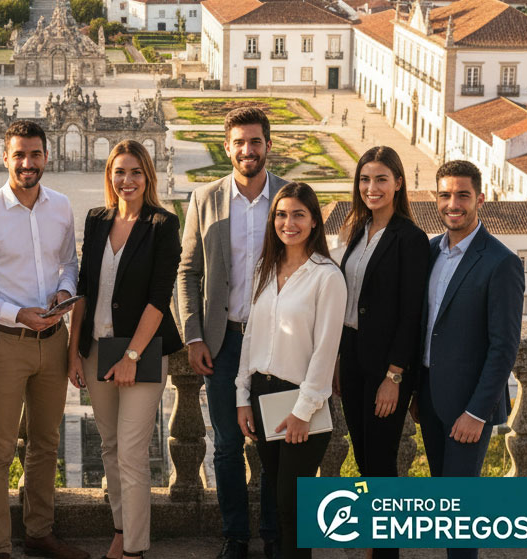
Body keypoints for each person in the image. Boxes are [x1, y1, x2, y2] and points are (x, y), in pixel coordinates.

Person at [0, 120, 86, 559]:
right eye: (18, 155)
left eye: (34, 154)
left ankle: (38, 532)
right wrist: (17, 314)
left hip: (53, 338)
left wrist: (66, 290)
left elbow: (69, 261)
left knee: (45, 443)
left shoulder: (61, 206)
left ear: (46, 156)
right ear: (4, 156)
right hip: (7, 343)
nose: (27, 163)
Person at [177, 106, 285, 559]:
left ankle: (276, 535)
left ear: (267, 146)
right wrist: (193, 335)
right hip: (223, 341)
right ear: (227, 148)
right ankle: (235, 536)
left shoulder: (291, 195)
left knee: (276, 446)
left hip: (278, 341)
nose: (247, 150)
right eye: (239, 142)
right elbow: (187, 271)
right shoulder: (205, 199)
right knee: (225, 445)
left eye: (255, 142)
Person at [67, 140, 182, 559]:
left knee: (132, 453)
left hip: (143, 351)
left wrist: (132, 356)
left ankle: (134, 549)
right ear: (109, 176)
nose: (127, 180)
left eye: (136, 172)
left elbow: (159, 298)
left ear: (147, 176)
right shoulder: (97, 220)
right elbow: (83, 288)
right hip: (97, 347)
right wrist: (73, 351)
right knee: (110, 447)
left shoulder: (162, 225)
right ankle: (121, 529)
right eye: (120, 172)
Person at [412, 161, 524, 559]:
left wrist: (477, 413)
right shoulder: (428, 252)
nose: (453, 203)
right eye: (445, 195)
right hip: (429, 397)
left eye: (462, 195)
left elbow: (503, 347)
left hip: (469, 408)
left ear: (480, 198)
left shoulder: (501, 262)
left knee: (460, 513)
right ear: (435, 199)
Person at [235, 182, 345, 559]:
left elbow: (325, 351)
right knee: (278, 500)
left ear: (314, 221)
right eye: (281, 214)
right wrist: (242, 397)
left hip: (301, 401)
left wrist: (303, 412)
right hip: (264, 395)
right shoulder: (266, 267)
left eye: (298, 214)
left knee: (291, 506)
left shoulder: (327, 276)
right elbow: (252, 337)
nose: (289, 222)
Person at [335, 147, 429, 559]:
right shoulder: (357, 228)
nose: (371, 188)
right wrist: (340, 361)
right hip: (353, 356)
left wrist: (395, 378)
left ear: (398, 183)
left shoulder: (410, 238)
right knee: (362, 454)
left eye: (380, 180)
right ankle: (377, 545)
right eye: (365, 180)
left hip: (387, 366)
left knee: (382, 459)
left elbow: (412, 314)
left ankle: (385, 551)